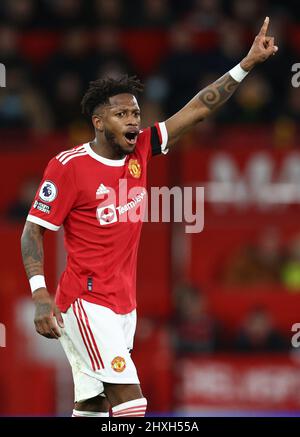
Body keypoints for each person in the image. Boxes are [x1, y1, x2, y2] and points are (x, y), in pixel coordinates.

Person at [21, 17, 278, 417]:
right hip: (86, 302)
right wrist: (39, 295)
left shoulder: (141, 149)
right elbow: (33, 230)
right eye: (122, 114)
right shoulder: (68, 167)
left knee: (91, 406)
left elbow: (197, 110)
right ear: (98, 122)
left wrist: (245, 65)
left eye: (136, 113)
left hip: (124, 306)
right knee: (132, 404)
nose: (133, 121)